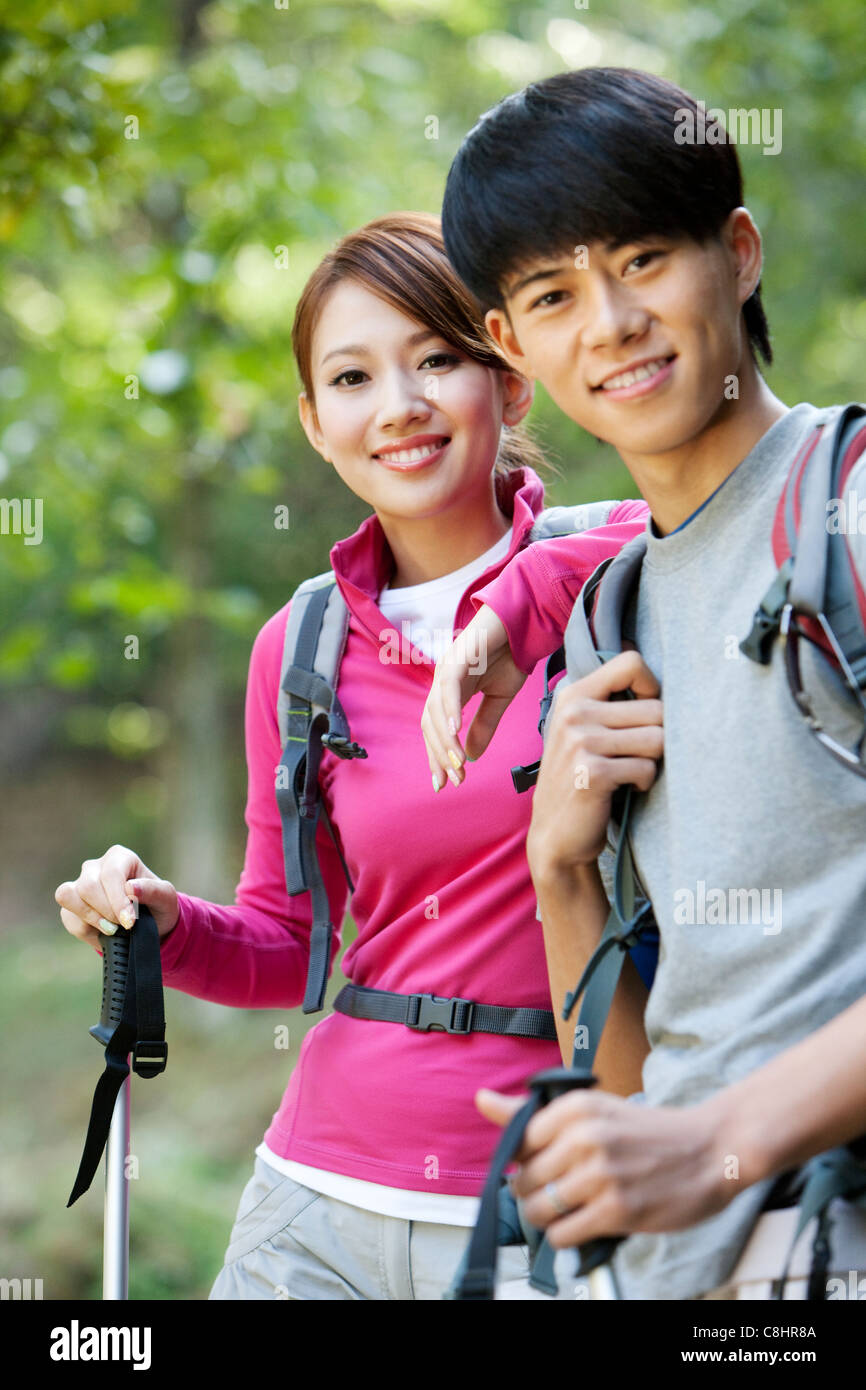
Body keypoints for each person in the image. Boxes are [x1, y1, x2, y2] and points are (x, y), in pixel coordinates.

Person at [54, 211, 650, 1301]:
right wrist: (159, 915)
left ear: (508, 377)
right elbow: (288, 947)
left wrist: (521, 598)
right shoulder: (302, 643)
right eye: (351, 378)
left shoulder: (615, 569)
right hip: (315, 1203)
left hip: (546, 1202)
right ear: (315, 422)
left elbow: (736, 516)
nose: (400, 407)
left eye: (435, 359)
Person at [420, 68, 866, 1300]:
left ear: (734, 253)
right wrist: (555, 868)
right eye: (553, 295)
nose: (608, 323)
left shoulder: (845, 513)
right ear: (509, 342)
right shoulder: (610, 611)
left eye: (639, 261)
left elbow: (687, 1143)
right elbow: (625, 1087)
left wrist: (718, 1145)